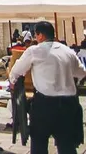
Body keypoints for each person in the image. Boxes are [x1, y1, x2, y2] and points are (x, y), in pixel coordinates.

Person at [10, 20, 86, 154]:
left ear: (40, 36)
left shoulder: (34, 51)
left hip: (45, 104)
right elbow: (81, 73)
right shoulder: (67, 51)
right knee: (67, 145)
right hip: (69, 104)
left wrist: (13, 81)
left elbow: (16, 71)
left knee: (39, 143)